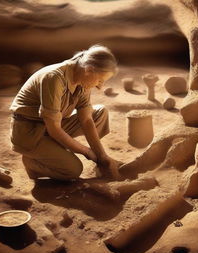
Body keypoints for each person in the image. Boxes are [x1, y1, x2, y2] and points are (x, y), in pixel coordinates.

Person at [9, 44, 121, 180]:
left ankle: (53, 149)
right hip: (29, 133)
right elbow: (54, 129)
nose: (99, 86)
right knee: (73, 170)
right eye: (100, 80)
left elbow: (86, 120)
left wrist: (102, 156)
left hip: (50, 126)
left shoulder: (83, 77)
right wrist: (87, 152)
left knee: (100, 113)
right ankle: (33, 163)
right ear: (89, 69)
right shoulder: (54, 78)